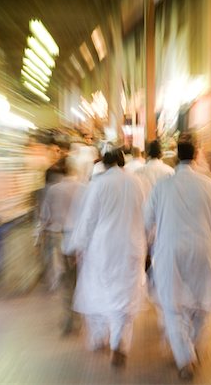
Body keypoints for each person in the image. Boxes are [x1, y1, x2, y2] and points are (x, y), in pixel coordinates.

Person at [144, 141, 211, 381]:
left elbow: (146, 222)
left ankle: (185, 359)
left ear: (175, 159)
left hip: (170, 252)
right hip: (204, 253)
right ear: (195, 156)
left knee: (174, 308)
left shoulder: (162, 187)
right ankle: (196, 346)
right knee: (202, 306)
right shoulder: (210, 185)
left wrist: (144, 250)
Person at [70, 148, 146, 367]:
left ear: (104, 164)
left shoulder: (99, 185)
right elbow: (146, 214)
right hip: (132, 246)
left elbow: (88, 220)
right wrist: (148, 243)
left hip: (103, 248)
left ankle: (100, 338)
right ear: (123, 163)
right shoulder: (137, 183)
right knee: (126, 295)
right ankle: (119, 342)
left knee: (100, 292)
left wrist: (78, 246)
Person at [39, 157, 87, 330]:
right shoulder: (83, 188)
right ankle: (79, 315)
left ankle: (68, 317)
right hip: (80, 239)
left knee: (66, 279)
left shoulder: (53, 190)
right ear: (73, 171)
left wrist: (42, 233)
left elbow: (45, 216)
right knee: (79, 277)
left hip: (60, 237)